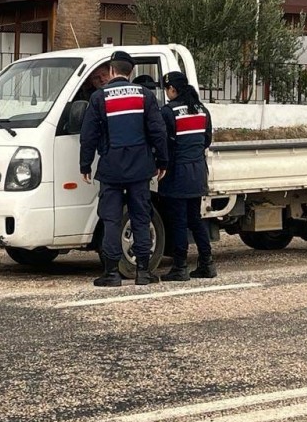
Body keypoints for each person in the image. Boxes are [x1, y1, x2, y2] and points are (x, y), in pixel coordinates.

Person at [80, 51, 169, 287]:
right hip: (140, 168)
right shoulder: (145, 95)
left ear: (111, 71)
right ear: (131, 72)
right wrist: (162, 161)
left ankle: (111, 273)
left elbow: (89, 135)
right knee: (141, 217)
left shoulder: (99, 97)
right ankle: (143, 272)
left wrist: (85, 164)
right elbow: (158, 131)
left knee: (111, 219)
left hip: (111, 168)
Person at [159, 71, 217, 281]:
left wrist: (161, 165)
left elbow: (164, 143)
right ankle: (207, 263)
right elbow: (206, 140)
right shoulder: (202, 110)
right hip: (198, 172)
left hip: (177, 173)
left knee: (178, 221)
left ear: (172, 89)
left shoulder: (169, 112)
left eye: (167, 89)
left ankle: (180, 267)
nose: (167, 93)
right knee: (195, 219)